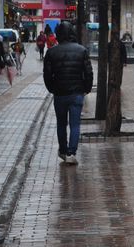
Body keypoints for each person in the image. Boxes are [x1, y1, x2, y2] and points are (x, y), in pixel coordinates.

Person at [43, 21, 93, 165]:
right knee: (75, 124)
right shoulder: (82, 50)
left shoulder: (51, 52)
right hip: (76, 93)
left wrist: (52, 88)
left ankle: (63, 151)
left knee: (61, 124)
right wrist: (86, 88)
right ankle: (72, 153)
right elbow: (88, 73)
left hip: (59, 93)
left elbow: (47, 74)